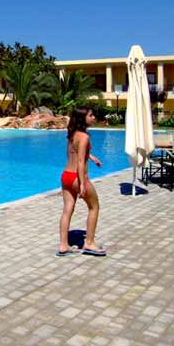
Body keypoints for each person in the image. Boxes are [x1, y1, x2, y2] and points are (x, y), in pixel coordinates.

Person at [57, 106, 106, 257]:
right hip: (78, 178)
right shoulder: (84, 137)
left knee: (67, 209)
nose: (93, 118)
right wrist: (83, 183)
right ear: (82, 118)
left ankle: (63, 245)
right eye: (91, 115)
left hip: (66, 175)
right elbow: (79, 161)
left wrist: (91, 157)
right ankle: (89, 243)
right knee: (94, 207)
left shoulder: (71, 135)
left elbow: (73, 152)